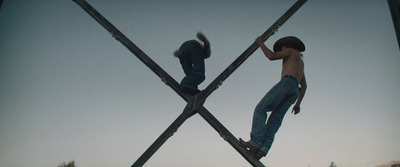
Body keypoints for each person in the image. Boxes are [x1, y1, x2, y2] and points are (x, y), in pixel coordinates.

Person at [239, 36, 307, 160]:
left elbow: (271, 56)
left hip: (287, 82)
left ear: (286, 46)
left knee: (261, 109)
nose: (281, 51)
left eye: (282, 48)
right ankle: (264, 148)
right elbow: (304, 85)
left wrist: (260, 43)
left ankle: (255, 143)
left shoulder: (290, 51)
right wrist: (298, 104)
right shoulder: (300, 62)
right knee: (275, 119)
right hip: (294, 90)